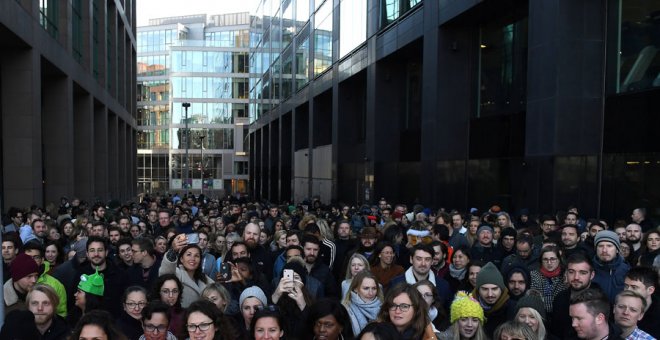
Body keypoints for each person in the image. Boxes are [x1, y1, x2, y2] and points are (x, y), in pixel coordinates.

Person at [159, 235, 213, 307]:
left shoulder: (204, 278)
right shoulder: (177, 273)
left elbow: (217, 290)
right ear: (181, 259)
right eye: (188, 255)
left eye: (196, 256)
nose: (192, 258)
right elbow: (165, 274)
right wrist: (173, 251)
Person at [0, 283, 69, 340]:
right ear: (28, 306)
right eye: (35, 303)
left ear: (54, 305)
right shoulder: (16, 329)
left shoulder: (66, 333)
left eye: (45, 303)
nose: (40, 308)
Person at [472, 262, 514, 338]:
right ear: (478, 290)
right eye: (485, 289)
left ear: (501, 289)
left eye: (494, 289)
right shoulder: (469, 306)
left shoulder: (512, 308)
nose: (490, 294)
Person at [592, 230, 630, 302]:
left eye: (609, 246)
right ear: (596, 249)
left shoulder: (626, 270)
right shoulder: (588, 269)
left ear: (617, 250)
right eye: (600, 246)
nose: (604, 250)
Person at [529, 246, 567, 317]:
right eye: (545, 259)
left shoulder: (565, 276)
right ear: (541, 261)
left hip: (560, 315)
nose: (549, 263)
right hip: (539, 315)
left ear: (558, 260)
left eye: (552, 259)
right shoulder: (534, 275)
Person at [343, 271, 384, 335]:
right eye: (366, 288)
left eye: (374, 288)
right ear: (355, 289)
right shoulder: (345, 310)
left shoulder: (384, 309)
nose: (371, 293)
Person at [624, 266, 660, 338]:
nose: (628, 291)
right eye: (626, 286)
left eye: (634, 287)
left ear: (650, 290)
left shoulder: (658, 315)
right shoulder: (617, 307)